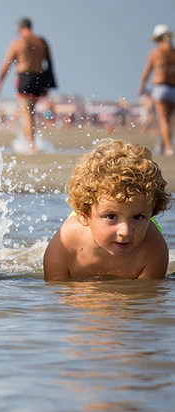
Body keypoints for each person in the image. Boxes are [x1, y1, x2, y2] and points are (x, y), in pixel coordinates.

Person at [43, 139, 170, 281]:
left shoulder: (155, 250)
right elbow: (56, 292)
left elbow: (143, 298)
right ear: (85, 215)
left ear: (153, 212)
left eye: (138, 217)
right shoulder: (66, 242)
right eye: (111, 216)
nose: (125, 231)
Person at [0, 18, 55, 155]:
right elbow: (50, 63)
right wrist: (48, 84)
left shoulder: (17, 43)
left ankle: (32, 146)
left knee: (26, 114)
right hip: (39, 79)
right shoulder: (41, 42)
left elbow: (7, 64)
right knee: (31, 113)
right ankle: (30, 141)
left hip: (25, 78)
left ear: (20, 29)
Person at [139, 24, 175, 156]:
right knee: (170, 120)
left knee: (162, 120)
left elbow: (147, 72)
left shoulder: (155, 53)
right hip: (173, 88)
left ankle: (169, 148)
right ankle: (165, 146)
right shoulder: (173, 52)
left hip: (160, 89)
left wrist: (142, 86)